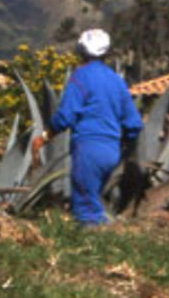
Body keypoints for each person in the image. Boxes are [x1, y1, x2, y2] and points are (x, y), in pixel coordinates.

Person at [35, 29, 142, 225]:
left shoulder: (80, 77)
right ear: (106, 53)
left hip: (88, 148)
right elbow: (134, 123)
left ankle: (93, 249)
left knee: (86, 208)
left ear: (81, 51)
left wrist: (46, 135)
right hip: (112, 150)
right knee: (95, 199)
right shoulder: (117, 81)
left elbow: (65, 116)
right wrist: (125, 142)